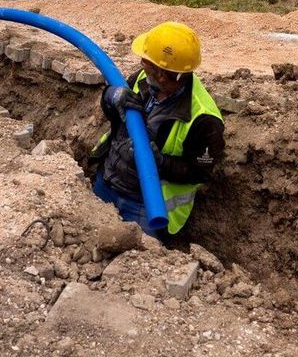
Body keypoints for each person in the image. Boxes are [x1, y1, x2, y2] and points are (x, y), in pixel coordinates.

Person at [91, 21, 224, 240]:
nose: (141, 63)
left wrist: (159, 161)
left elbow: (201, 172)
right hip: (107, 182)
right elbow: (115, 118)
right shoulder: (143, 79)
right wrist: (110, 96)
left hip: (146, 206)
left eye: (146, 61)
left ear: (161, 74)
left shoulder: (204, 120)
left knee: (138, 257)